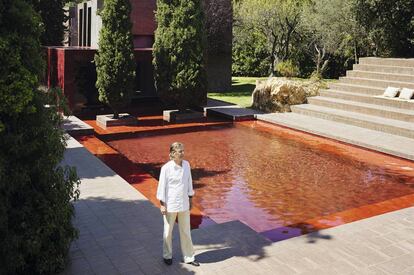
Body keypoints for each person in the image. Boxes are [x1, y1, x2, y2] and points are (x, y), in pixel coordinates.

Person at [156, 142, 200, 267]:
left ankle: (189, 257)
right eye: (180, 151)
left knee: (186, 231)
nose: (182, 153)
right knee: (168, 231)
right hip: (170, 204)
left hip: (184, 203)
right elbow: (161, 187)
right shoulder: (166, 168)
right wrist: (162, 204)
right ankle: (167, 255)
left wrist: (190, 198)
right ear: (173, 154)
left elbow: (189, 182)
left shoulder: (186, 165)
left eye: (183, 151)